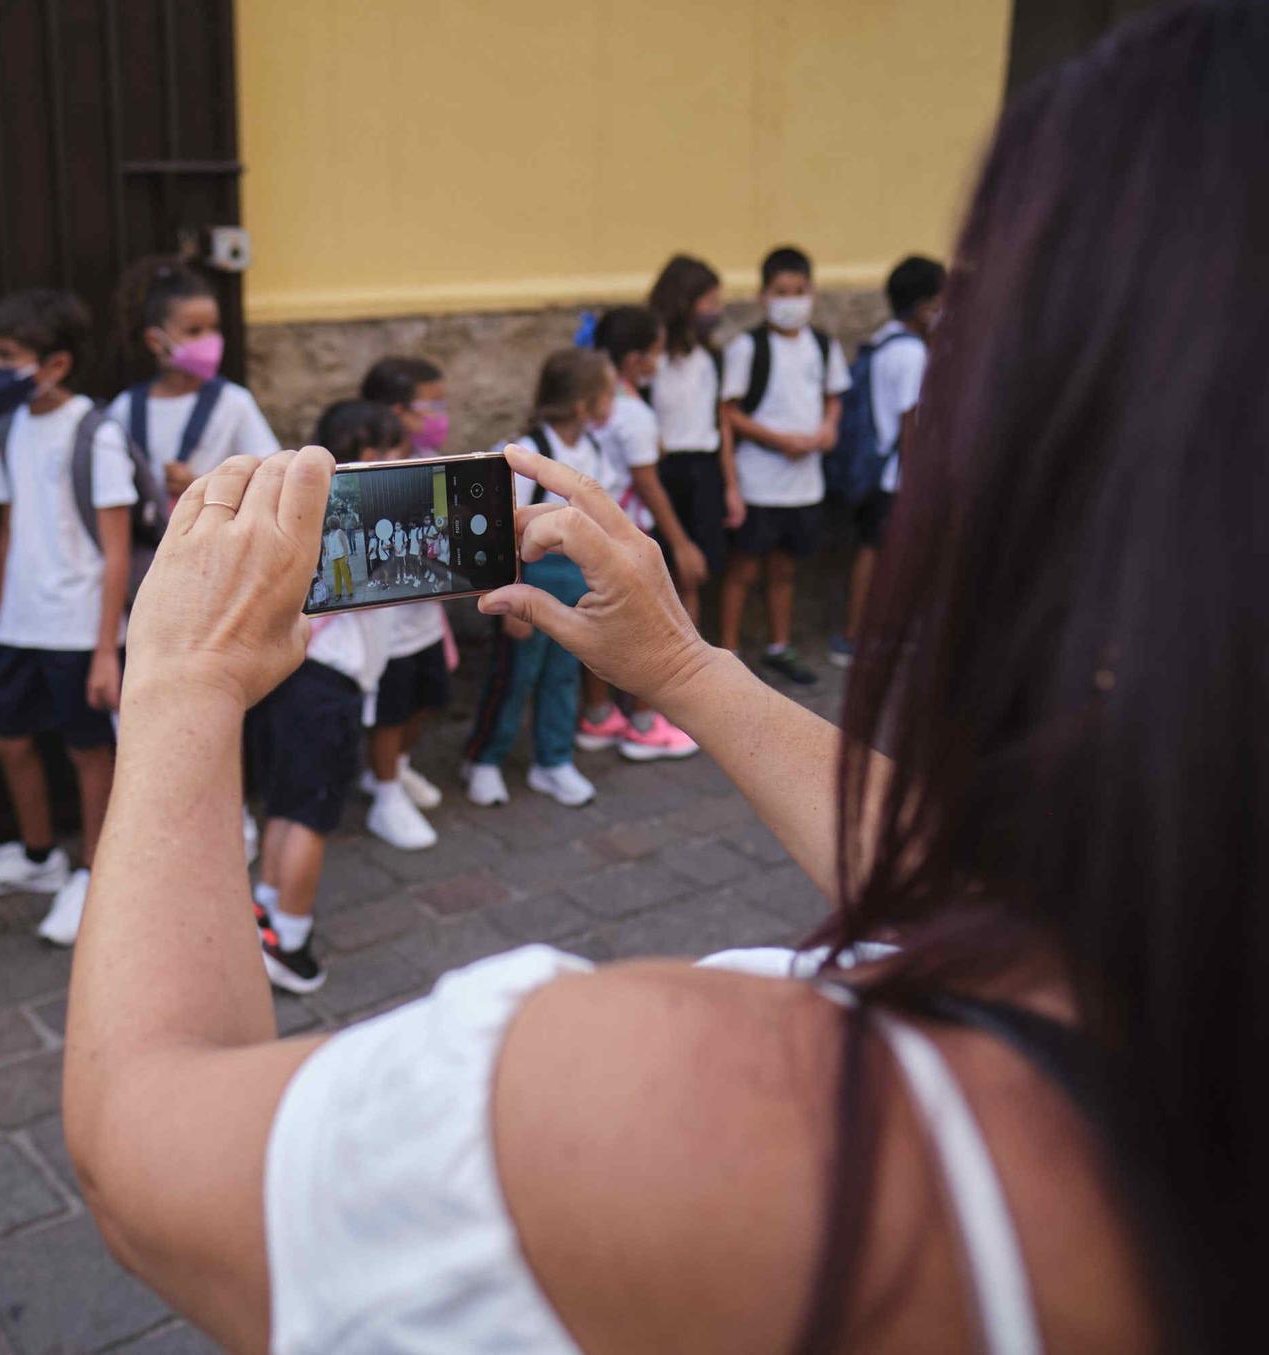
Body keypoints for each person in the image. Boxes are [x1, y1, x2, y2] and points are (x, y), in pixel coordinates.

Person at [65, 10, 1266, 1349]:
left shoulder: (684, 1117)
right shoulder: (1171, 927)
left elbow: (143, 1148)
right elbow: (968, 876)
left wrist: (181, 683)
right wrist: (690, 669)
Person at [0, 289, 133, 947]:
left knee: (90, 751)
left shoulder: (97, 433)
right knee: (9, 740)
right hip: (22, 624)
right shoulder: (7, 430)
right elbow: (7, 529)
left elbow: (115, 547)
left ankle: (94, 874)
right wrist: (2, 613)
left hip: (77, 622)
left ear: (56, 364)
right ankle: (39, 856)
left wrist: (104, 649)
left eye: (11, 357)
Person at [246, 399, 400, 996]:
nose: (399, 460)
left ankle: (266, 911)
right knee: (312, 813)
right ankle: (292, 938)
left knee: (285, 803)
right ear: (364, 455)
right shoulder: (367, 516)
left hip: (291, 674)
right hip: (331, 685)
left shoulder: (303, 511)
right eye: (389, 449)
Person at [461, 348, 613, 809]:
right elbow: (499, 528)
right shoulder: (528, 452)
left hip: (576, 580)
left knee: (564, 674)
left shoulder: (595, 450)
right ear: (584, 405)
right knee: (515, 675)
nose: (615, 403)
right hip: (531, 577)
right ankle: (484, 758)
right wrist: (508, 596)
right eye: (609, 394)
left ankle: (553, 760)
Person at [719, 245, 851, 687]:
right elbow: (729, 412)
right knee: (744, 569)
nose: (791, 300)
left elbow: (834, 397)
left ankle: (779, 644)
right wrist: (778, 440)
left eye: (799, 291)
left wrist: (828, 428)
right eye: (781, 291)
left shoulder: (822, 345)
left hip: (804, 484)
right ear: (763, 295)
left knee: (785, 568)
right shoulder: (747, 347)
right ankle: (729, 653)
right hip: (760, 481)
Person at [585, 306, 703, 761]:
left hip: (593, 528)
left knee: (597, 619)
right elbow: (649, 486)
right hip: (627, 531)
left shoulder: (595, 397)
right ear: (635, 359)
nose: (659, 363)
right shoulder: (632, 413)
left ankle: (597, 715)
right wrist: (680, 542)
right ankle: (642, 720)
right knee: (645, 626)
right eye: (655, 353)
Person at [356, 357, 452, 851]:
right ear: (395, 411)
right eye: (428, 404)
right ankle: (386, 795)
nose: (439, 415)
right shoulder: (372, 465)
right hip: (385, 624)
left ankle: (396, 769)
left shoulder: (431, 460)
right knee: (390, 709)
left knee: (428, 698)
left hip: (427, 615)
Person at [831, 255, 946, 667]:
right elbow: (911, 419)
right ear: (923, 305)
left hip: (878, 469)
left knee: (872, 549)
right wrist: (919, 481)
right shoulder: (912, 354)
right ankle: (857, 636)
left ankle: (859, 635)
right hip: (898, 475)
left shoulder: (885, 341)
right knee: (881, 553)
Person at [108, 255, 280, 501]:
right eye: (194, 331)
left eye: (214, 329)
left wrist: (198, 485)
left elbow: (270, 476)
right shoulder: (125, 408)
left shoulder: (234, 402)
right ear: (155, 341)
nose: (209, 340)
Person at [647, 253, 741, 626]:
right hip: (662, 471)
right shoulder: (653, 360)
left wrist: (731, 485)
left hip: (703, 471)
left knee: (695, 576)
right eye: (709, 303)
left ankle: (690, 663)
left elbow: (722, 423)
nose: (715, 311)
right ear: (684, 302)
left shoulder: (712, 358)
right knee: (664, 570)